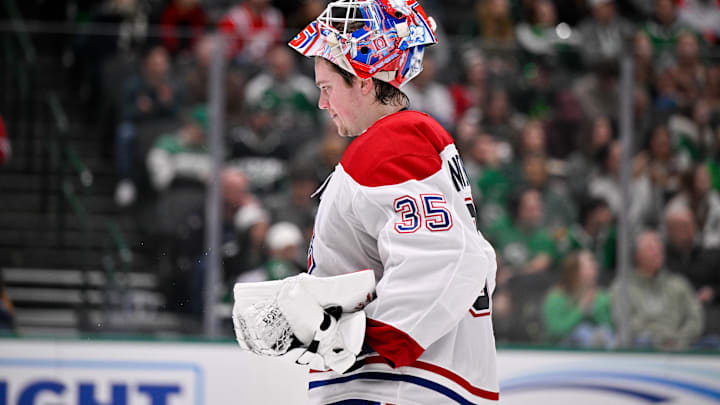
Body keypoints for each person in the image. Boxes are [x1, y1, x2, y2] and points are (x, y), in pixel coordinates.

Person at [243, 0, 500, 403]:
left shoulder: (392, 144)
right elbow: (473, 257)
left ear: (364, 81)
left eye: (327, 88)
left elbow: (445, 259)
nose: (322, 104)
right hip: (408, 384)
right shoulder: (406, 141)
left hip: (397, 387)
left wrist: (358, 340)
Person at [609, 230, 704, 350]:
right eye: (651, 248)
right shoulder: (622, 288)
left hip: (680, 349)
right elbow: (623, 322)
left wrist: (679, 340)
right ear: (637, 255)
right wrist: (657, 338)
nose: (657, 252)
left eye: (659, 248)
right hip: (640, 350)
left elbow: (695, 318)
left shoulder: (679, 285)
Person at [542, 251, 614, 348]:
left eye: (595, 266)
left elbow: (610, 325)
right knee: (581, 331)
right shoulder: (556, 298)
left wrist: (595, 307)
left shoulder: (600, 296)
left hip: (598, 350)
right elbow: (557, 330)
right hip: (561, 350)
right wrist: (581, 309)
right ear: (574, 272)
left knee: (604, 332)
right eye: (589, 267)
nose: (595, 269)